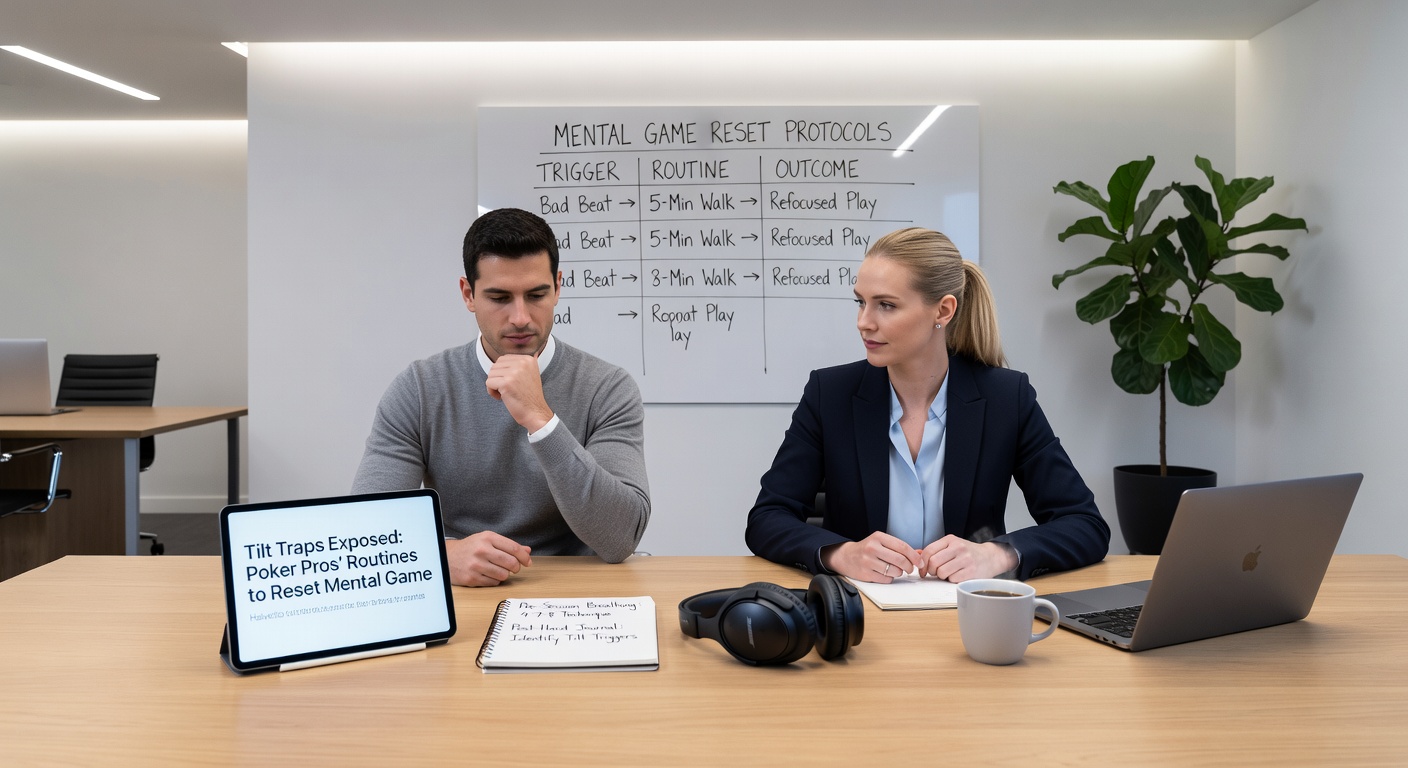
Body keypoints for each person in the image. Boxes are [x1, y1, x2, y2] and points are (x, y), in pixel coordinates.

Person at [746, 227, 1108, 583]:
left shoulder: (1005, 398)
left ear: (943, 310)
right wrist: (841, 553)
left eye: (886, 305)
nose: (863, 322)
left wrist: (995, 554)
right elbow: (767, 518)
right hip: (858, 610)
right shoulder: (830, 393)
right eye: (861, 301)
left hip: (967, 613)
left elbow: (1085, 524)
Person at [353, 207, 650, 587]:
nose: (521, 317)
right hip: (463, 587)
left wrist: (540, 419)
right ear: (468, 294)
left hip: (576, 594)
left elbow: (620, 537)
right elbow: (366, 529)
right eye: (499, 297)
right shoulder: (420, 388)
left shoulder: (607, 388)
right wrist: (440, 556)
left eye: (536, 294)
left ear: (558, 288)